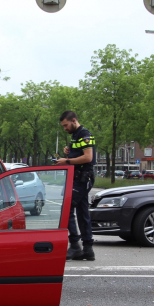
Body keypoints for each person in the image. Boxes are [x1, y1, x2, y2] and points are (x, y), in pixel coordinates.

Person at [55, 111, 96, 261]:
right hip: (79, 178)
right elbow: (80, 153)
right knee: (82, 212)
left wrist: (66, 161)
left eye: (66, 125)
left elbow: (88, 157)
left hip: (82, 178)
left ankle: (75, 245)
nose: (65, 128)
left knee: (66, 207)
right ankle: (88, 249)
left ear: (74, 121)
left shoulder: (84, 134)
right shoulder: (76, 135)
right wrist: (70, 152)